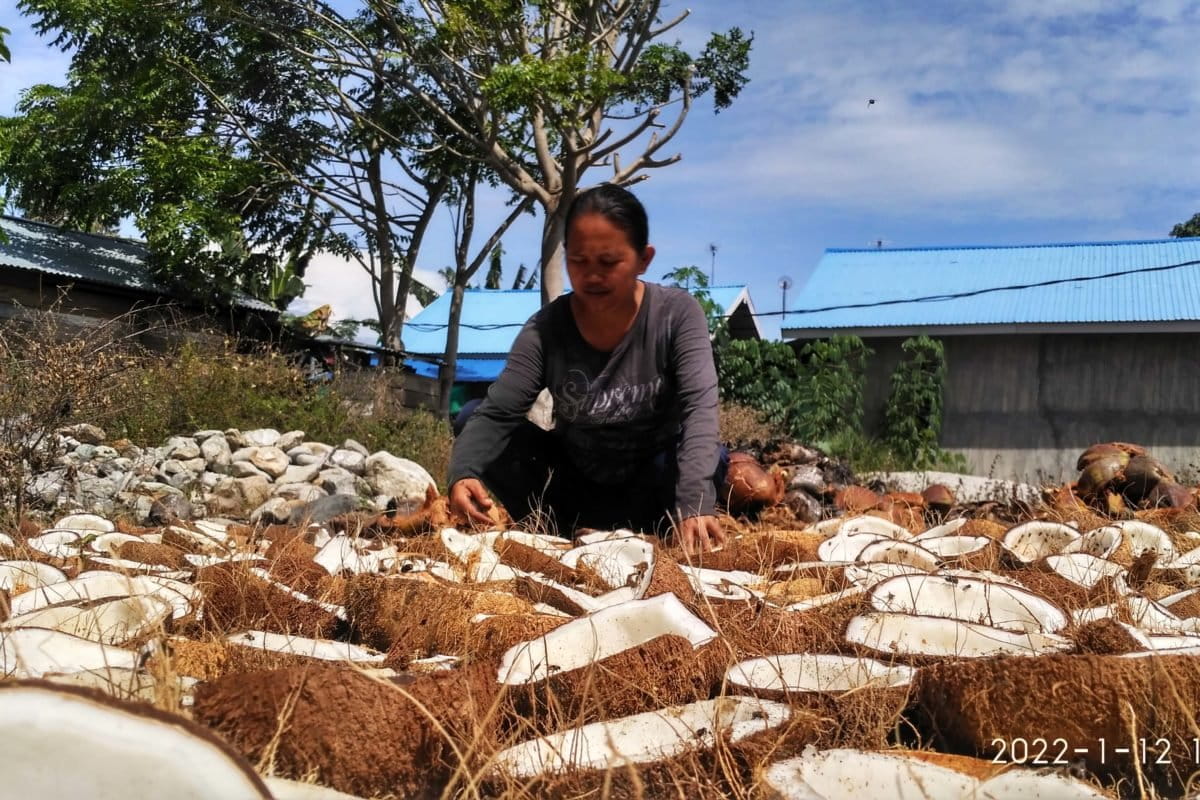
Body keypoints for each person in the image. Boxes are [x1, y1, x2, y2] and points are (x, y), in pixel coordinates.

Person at [447, 184, 728, 556]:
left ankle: (667, 532)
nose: (592, 276)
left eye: (609, 262)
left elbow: (700, 408)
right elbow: (499, 413)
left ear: (644, 259)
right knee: (470, 416)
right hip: (573, 488)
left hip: (656, 489)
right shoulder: (545, 330)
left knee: (716, 458)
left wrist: (694, 500)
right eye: (578, 262)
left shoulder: (676, 315)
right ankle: (560, 532)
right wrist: (462, 472)